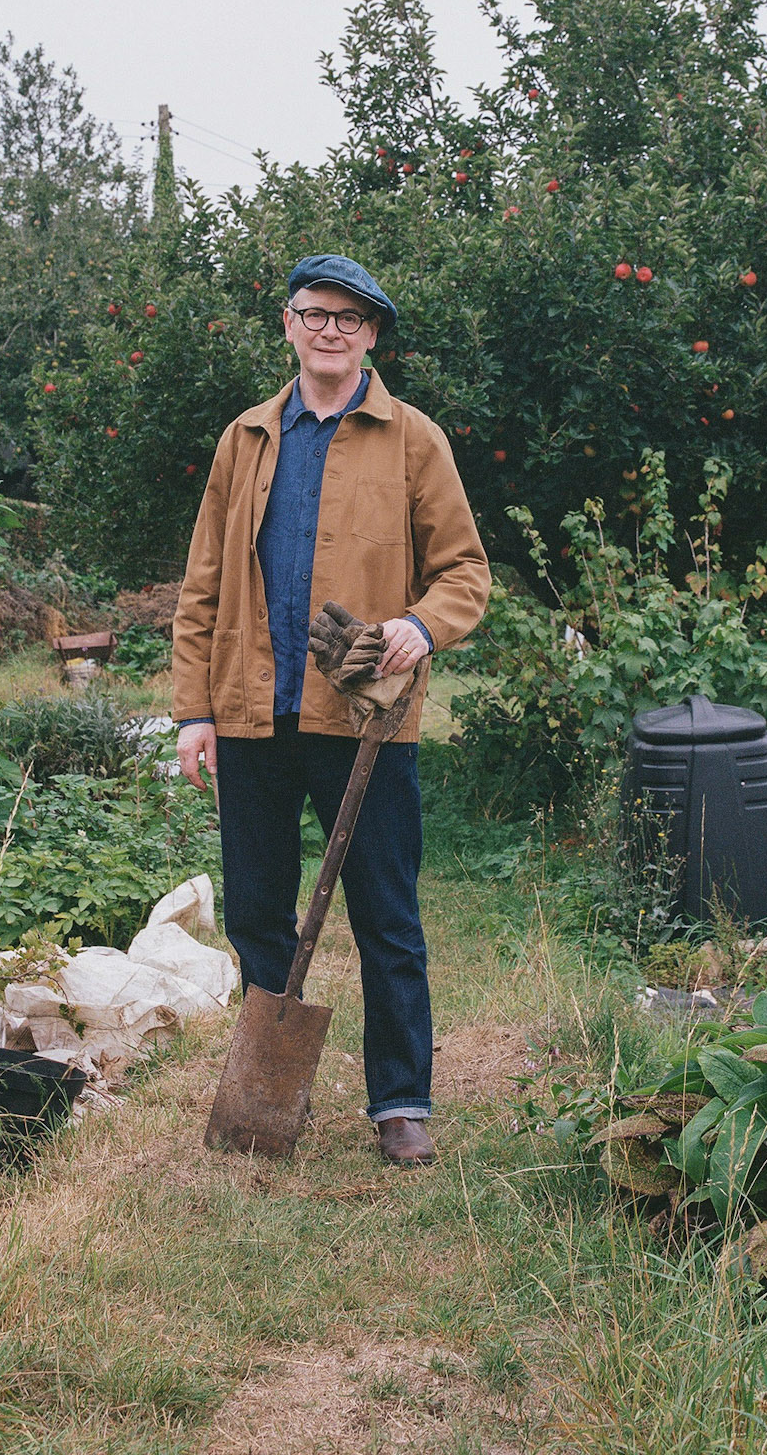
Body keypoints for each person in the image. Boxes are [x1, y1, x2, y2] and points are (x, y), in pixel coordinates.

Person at [173, 255, 490, 1165]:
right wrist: (193, 711)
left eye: (349, 319)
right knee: (255, 912)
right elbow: (202, 584)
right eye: (315, 314)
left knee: (385, 914)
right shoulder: (245, 438)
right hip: (251, 713)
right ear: (288, 324)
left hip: (362, 720)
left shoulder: (413, 439)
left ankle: (399, 1103)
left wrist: (419, 626)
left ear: (370, 336)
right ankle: (272, 1094)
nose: (330, 331)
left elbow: (465, 572)